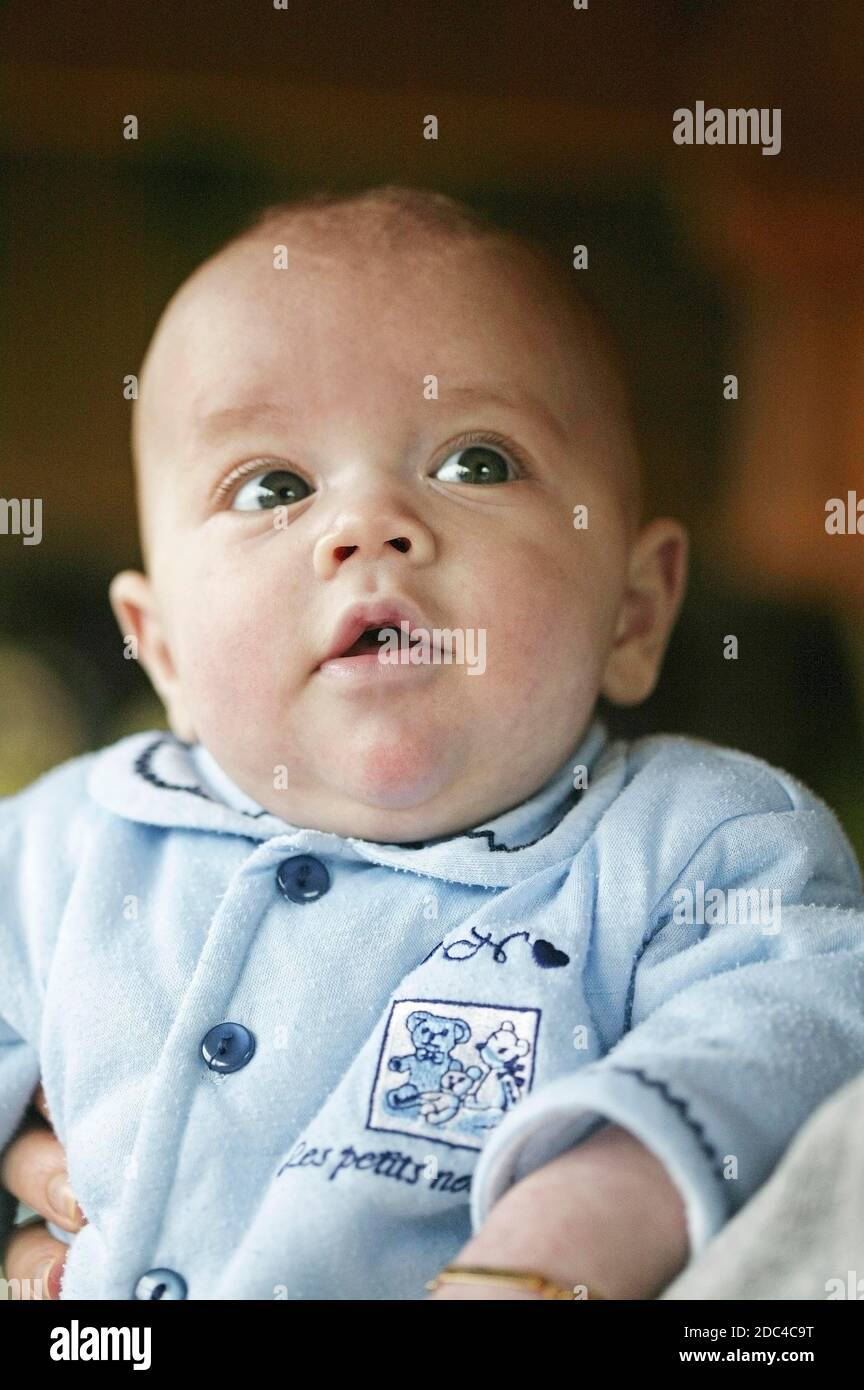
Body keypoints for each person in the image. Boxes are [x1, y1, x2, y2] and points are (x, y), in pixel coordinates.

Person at [2, 186, 863, 1301]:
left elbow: (804, 1020)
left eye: (476, 462)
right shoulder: (56, 854)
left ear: (636, 614)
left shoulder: (699, 846)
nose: (368, 524)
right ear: (160, 649)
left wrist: (580, 1221)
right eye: (273, 486)